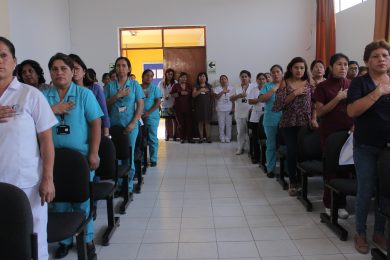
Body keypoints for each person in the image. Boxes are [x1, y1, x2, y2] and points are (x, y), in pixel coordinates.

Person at [0, 36, 57, 260]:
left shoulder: (30, 95)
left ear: (14, 61)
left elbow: (46, 140)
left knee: (33, 241)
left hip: (26, 183)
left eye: (3, 55)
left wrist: (48, 178)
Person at [43, 53, 103, 259]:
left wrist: (94, 152)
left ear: (72, 71)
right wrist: (53, 109)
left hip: (80, 158)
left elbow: (96, 123)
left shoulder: (84, 94)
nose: (59, 72)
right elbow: (32, 121)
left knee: (82, 200)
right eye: (55, 69)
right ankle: (65, 240)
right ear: (50, 73)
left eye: (63, 68)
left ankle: (87, 239)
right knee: (58, 200)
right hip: (52, 158)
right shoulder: (43, 96)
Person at [347, 40, 390, 254]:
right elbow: (352, 111)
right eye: (376, 56)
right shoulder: (359, 83)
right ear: (367, 60)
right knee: (365, 190)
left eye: (385, 55)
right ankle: (360, 232)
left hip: (387, 148)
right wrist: (378, 92)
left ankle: (379, 232)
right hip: (365, 146)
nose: (381, 59)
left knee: (385, 192)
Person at [313, 53, 353, 219]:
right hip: (330, 133)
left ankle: (341, 203)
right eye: (339, 64)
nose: (343, 67)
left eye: (345, 64)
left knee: (346, 168)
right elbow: (320, 112)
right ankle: (329, 203)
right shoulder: (322, 87)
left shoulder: (351, 84)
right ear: (331, 67)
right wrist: (338, 98)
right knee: (331, 168)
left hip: (349, 132)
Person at [273, 57, 315, 196]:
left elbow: (315, 103)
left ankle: (301, 179)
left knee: (303, 151)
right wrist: (294, 93)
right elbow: (278, 105)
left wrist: (314, 118)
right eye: (296, 67)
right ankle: (292, 181)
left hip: (305, 123)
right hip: (289, 123)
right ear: (291, 68)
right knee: (292, 150)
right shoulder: (284, 83)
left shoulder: (309, 83)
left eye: (302, 68)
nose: (299, 70)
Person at [105, 57, 144, 198]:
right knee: (116, 156)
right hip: (114, 126)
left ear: (128, 69)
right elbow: (105, 105)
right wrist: (117, 96)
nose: (120, 68)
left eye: (123, 66)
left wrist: (133, 123)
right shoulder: (110, 86)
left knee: (129, 154)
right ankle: (118, 184)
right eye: (118, 66)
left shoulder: (134, 85)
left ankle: (128, 185)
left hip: (130, 126)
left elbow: (140, 106)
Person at [69, 54, 110, 136]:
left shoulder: (95, 88)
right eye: (71, 69)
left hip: (94, 131)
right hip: (74, 132)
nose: (74, 72)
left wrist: (106, 134)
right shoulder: (67, 91)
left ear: (84, 71)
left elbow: (104, 112)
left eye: (77, 68)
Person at [259, 65, 283, 178]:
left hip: (286, 119)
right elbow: (261, 99)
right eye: (273, 72)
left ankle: (287, 169)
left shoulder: (287, 85)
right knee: (271, 144)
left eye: (278, 71)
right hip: (270, 119)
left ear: (282, 73)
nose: (275, 74)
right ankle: (270, 169)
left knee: (287, 144)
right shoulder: (267, 86)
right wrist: (273, 90)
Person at [141, 69, 162, 167]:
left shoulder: (154, 88)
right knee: (141, 138)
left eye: (151, 76)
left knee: (152, 138)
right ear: (142, 76)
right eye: (147, 75)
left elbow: (158, 102)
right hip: (139, 117)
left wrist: (148, 113)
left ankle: (153, 159)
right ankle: (141, 159)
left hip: (152, 117)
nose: (149, 78)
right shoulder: (138, 87)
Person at [230, 70, 253, 154]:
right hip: (239, 113)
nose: (244, 78)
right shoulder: (236, 87)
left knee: (250, 132)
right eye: (242, 76)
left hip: (251, 113)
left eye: (245, 76)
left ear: (249, 78)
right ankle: (240, 148)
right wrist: (239, 95)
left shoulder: (253, 87)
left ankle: (251, 148)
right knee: (240, 132)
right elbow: (231, 98)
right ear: (240, 78)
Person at [248, 73, 266, 163]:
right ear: (257, 80)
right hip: (255, 116)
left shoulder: (269, 89)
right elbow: (250, 101)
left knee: (265, 137)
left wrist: (259, 99)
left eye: (263, 79)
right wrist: (260, 99)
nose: (261, 81)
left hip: (265, 115)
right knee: (255, 138)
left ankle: (264, 158)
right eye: (259, 79)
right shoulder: (253, 90)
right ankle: (256, 157)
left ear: (266, 80)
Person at [171, 72, 193, 143]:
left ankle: (189, 138)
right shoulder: (175, 85)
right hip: (178, 107)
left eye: (185, 77)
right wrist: (180, 93)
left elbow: (192, 96)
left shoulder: (189, 86)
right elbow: (172, 95)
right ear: (179, 78)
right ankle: (182, 138)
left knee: (189, 123)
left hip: (188, 107)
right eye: (182, 77)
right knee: (180, 123)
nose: (184, 79)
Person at [192, 72, 213, 143]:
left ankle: (208, 137)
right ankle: (201, 137)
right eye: (200, 76)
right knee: (200, 122)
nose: (202, 77)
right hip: (199, 107)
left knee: (207, 122)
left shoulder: (209, 86)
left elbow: (212, 97)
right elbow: (193, 95)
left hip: (208, 107)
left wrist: (213, 106)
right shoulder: (196, 86)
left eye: (203, 76)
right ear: (198, 78)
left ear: (206, 78)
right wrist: (200, 90)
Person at [158, 68, 177, 141]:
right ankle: (167, 135)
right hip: (165, 104)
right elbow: (158, 93)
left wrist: (171, 95)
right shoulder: (161, 83)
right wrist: (161, 100)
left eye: (171, 74)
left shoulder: (175, 82)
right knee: (167, 120)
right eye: (168, 74)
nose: (170, 75)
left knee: (174, 120)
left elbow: (177, 92)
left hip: (173, 104)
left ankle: (174, 135)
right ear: (165, 74)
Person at [214, 75, 233, 143]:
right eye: (222, 79)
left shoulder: (231, 88)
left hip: (229, 109)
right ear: (220, 81)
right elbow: (216, 97)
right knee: (221, 124)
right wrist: (223, 92)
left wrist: (233, 108)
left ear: (227, 80)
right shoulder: (217, 88)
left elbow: (233, 99)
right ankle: (222, 137)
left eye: (225, 79)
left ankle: (228, 137)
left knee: (229, 124)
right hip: (220, 109)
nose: (223, 80)